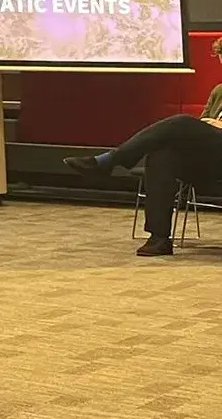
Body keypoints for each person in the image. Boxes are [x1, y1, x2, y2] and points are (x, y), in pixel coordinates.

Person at [65, 38, 222, 256]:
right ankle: (159, 238)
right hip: (210, 160)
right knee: (161, 154)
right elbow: (202, 123)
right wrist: (209, 124)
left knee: (181, 122)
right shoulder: (219, 91)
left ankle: (110, 161)